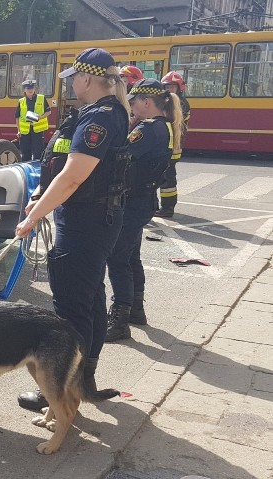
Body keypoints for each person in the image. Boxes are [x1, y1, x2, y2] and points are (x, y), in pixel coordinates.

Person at [13, 48, 131, 412]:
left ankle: (63, 395)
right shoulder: (103, 113)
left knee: (70, 311)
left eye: (74, 79)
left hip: (84, 224)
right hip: (90, 221)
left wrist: (33, 218)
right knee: (89, 300)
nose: (71, 86)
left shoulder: (100, 118)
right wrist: (39, 198)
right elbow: (60, 167)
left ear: (86, 79)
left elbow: (73, 177)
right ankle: (81, 383)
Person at [104, 79, 184, 341]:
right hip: (143, 200)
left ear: (146, 102)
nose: (131, 105)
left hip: (133, 201)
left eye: (134, 101)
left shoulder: (148, 129)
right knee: (130, 256)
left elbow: (121, 155)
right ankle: (136, 309)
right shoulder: (162, 127)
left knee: (118, 258)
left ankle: (120, 318)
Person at [155, 71, 191, 218]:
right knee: (164, 176)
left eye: (172, 87)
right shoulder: (171, 101)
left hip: (172, 146)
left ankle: (167, 208)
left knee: (167, 178)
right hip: (169, 144)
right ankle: (164, 206)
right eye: (167, 86)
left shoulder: (178, 103)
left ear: (179, 88)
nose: (169, 89)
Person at [15, 79, 51, 161]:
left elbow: (48, 112)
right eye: (28, 88)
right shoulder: (21, 101)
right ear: (24, 90)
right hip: (25, 131)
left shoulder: (41, 98)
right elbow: (17, 117)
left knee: (38, 152)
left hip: (37, 131)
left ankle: (37, 169)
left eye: (32, 88)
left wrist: (39, 117)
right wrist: (18, 130)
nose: (30, 90)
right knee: (25, 153)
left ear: (35, 89)